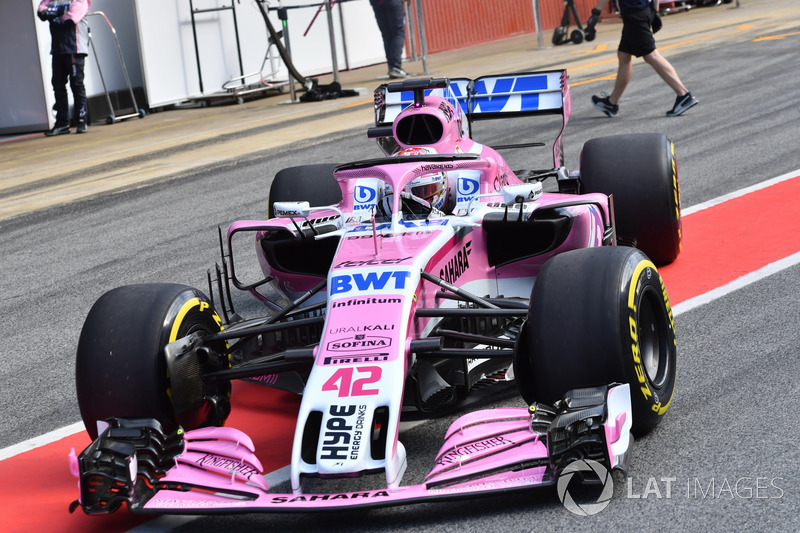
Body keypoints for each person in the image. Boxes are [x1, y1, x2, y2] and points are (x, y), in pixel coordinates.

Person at [588, 0, 698, 117]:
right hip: (641, 12)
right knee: (624, 55)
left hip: (634, 15)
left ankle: (683, 94)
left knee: (651, 55)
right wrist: (655, 11)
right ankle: (612, 103)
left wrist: (595, 13)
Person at [37, 0, 91, 136]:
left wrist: (52, 14)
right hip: (58, 49)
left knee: (76, 84)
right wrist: (59, 12)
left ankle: (81, 120)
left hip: (74, 48)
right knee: (57, 84)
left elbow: (71, 19)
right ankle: (62, 124)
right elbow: (41, 12)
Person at [369, 0, 409, 79]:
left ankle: (392, 67)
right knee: (398, 33)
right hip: (393, 2)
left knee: (387, 35)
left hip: (377, 3)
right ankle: (395, 67)